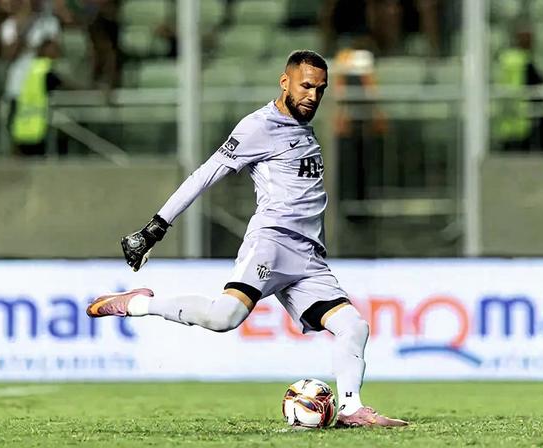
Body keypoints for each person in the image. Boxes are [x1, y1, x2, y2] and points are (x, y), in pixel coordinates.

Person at [86, 50, 408, 428]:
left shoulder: (303, 125)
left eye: (320, 89)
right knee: (224, 318)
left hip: (309, 257)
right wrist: (156, 226)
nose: (313, 96)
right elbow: (205, 174)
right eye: (305, 86)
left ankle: (352, 409)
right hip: (271, 244)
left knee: (354, 327)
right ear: (284, 81)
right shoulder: (259, 126)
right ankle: (138, 305)